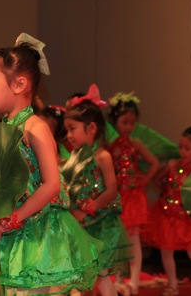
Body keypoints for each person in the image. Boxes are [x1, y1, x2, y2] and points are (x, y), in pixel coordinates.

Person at [0, 33, 103, 295]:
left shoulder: (36, 128)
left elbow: (52, 185)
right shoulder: (1, 130)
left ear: (19, 84)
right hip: (14, 229)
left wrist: (14, 218)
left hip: (41, 231)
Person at [63, 90, 132, 296]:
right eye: (66, 129)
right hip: (82, 226)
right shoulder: (74, 157)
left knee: (98, 275)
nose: (68, 135)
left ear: (91, 128)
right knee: (87, 277)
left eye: (72, 129)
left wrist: (89, 208)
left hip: (101, 225)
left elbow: (112, 190)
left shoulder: (102, 156)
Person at [106, 92, 160, 295]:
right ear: (114, 121)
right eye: (124, 122)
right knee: (121, 237)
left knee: (133, 237)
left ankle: (134, 282)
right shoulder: (110, 146)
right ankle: (120, 279)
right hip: (119, 195)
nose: (129, 127)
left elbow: (154, 163)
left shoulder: (135, 144)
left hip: (134, 195)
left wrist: (144, 180)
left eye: (132, 123)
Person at [145, 124, 191, 296]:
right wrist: (166, 193)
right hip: (167, 215)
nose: (182, 152)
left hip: (187, 219)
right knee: (166, 251)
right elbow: (157, 179)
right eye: (180, 147)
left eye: (188, 148)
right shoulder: (172, 164)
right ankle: (172, 284)